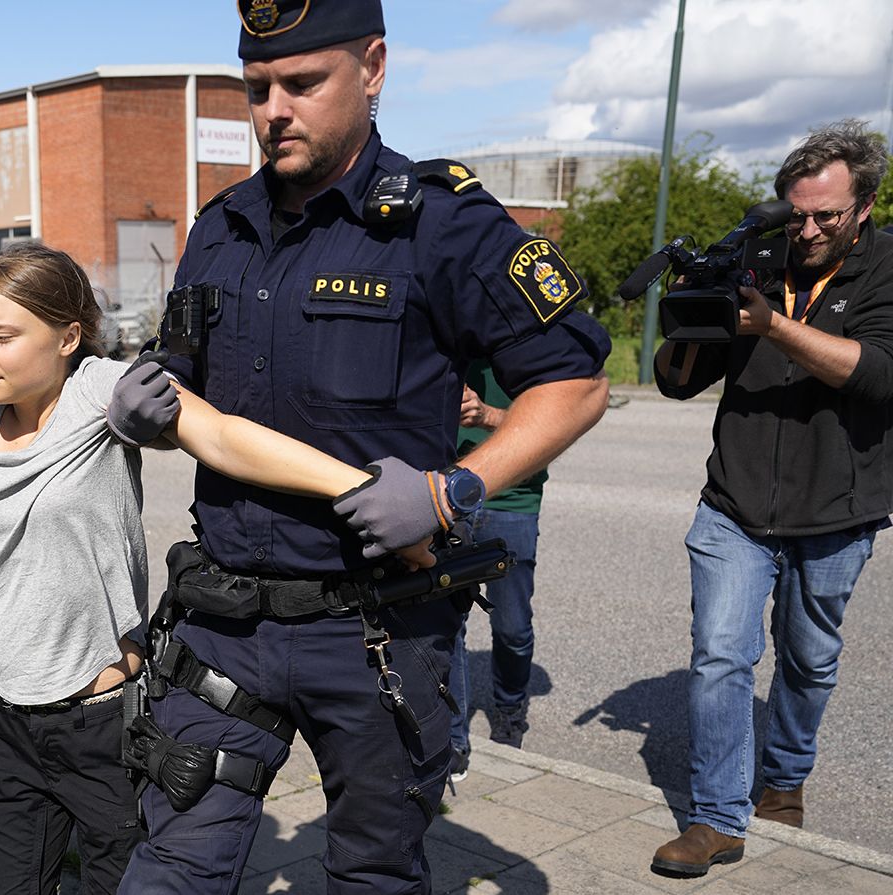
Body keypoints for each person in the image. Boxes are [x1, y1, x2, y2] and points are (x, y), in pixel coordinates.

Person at [0, 242, 435, 895]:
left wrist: (364, 488)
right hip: (6, 727)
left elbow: (222, 436)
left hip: (105, 728)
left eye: (3, 335)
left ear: (67, 336)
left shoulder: (101, 395)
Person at [103, 4, 611, 891]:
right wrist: (151, 387)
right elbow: (183, 367)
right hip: (225, 620)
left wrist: (455, 490)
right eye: (257, 88)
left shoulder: (442, 224)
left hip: (372, 629)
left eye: (303, 84)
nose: (273, 110)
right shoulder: (220, 225)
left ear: (372, 68)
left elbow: (574, 384)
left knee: (375, 871)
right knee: (171, 867)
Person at [649, 120, 893, 879]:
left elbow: (878, 373)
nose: (808, 229)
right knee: (721, 653)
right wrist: (692, 313)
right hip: (734, 503)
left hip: (837, 510)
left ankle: (783, 778)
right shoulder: (757, 259)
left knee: (809, 659)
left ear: (865, 205)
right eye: (797, 214)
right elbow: (677, 379)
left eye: (826, 215)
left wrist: (774, 326)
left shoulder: (887, 268)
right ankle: (716, 817)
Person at [446, 361, 548, 782]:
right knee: (446, 623)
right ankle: (452, 739)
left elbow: (548, 426)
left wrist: (486, 415)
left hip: (512, 498)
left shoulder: (529, 342)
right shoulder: (446, 331)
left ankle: (509, 710)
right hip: (445, 491)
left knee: (512, 628)